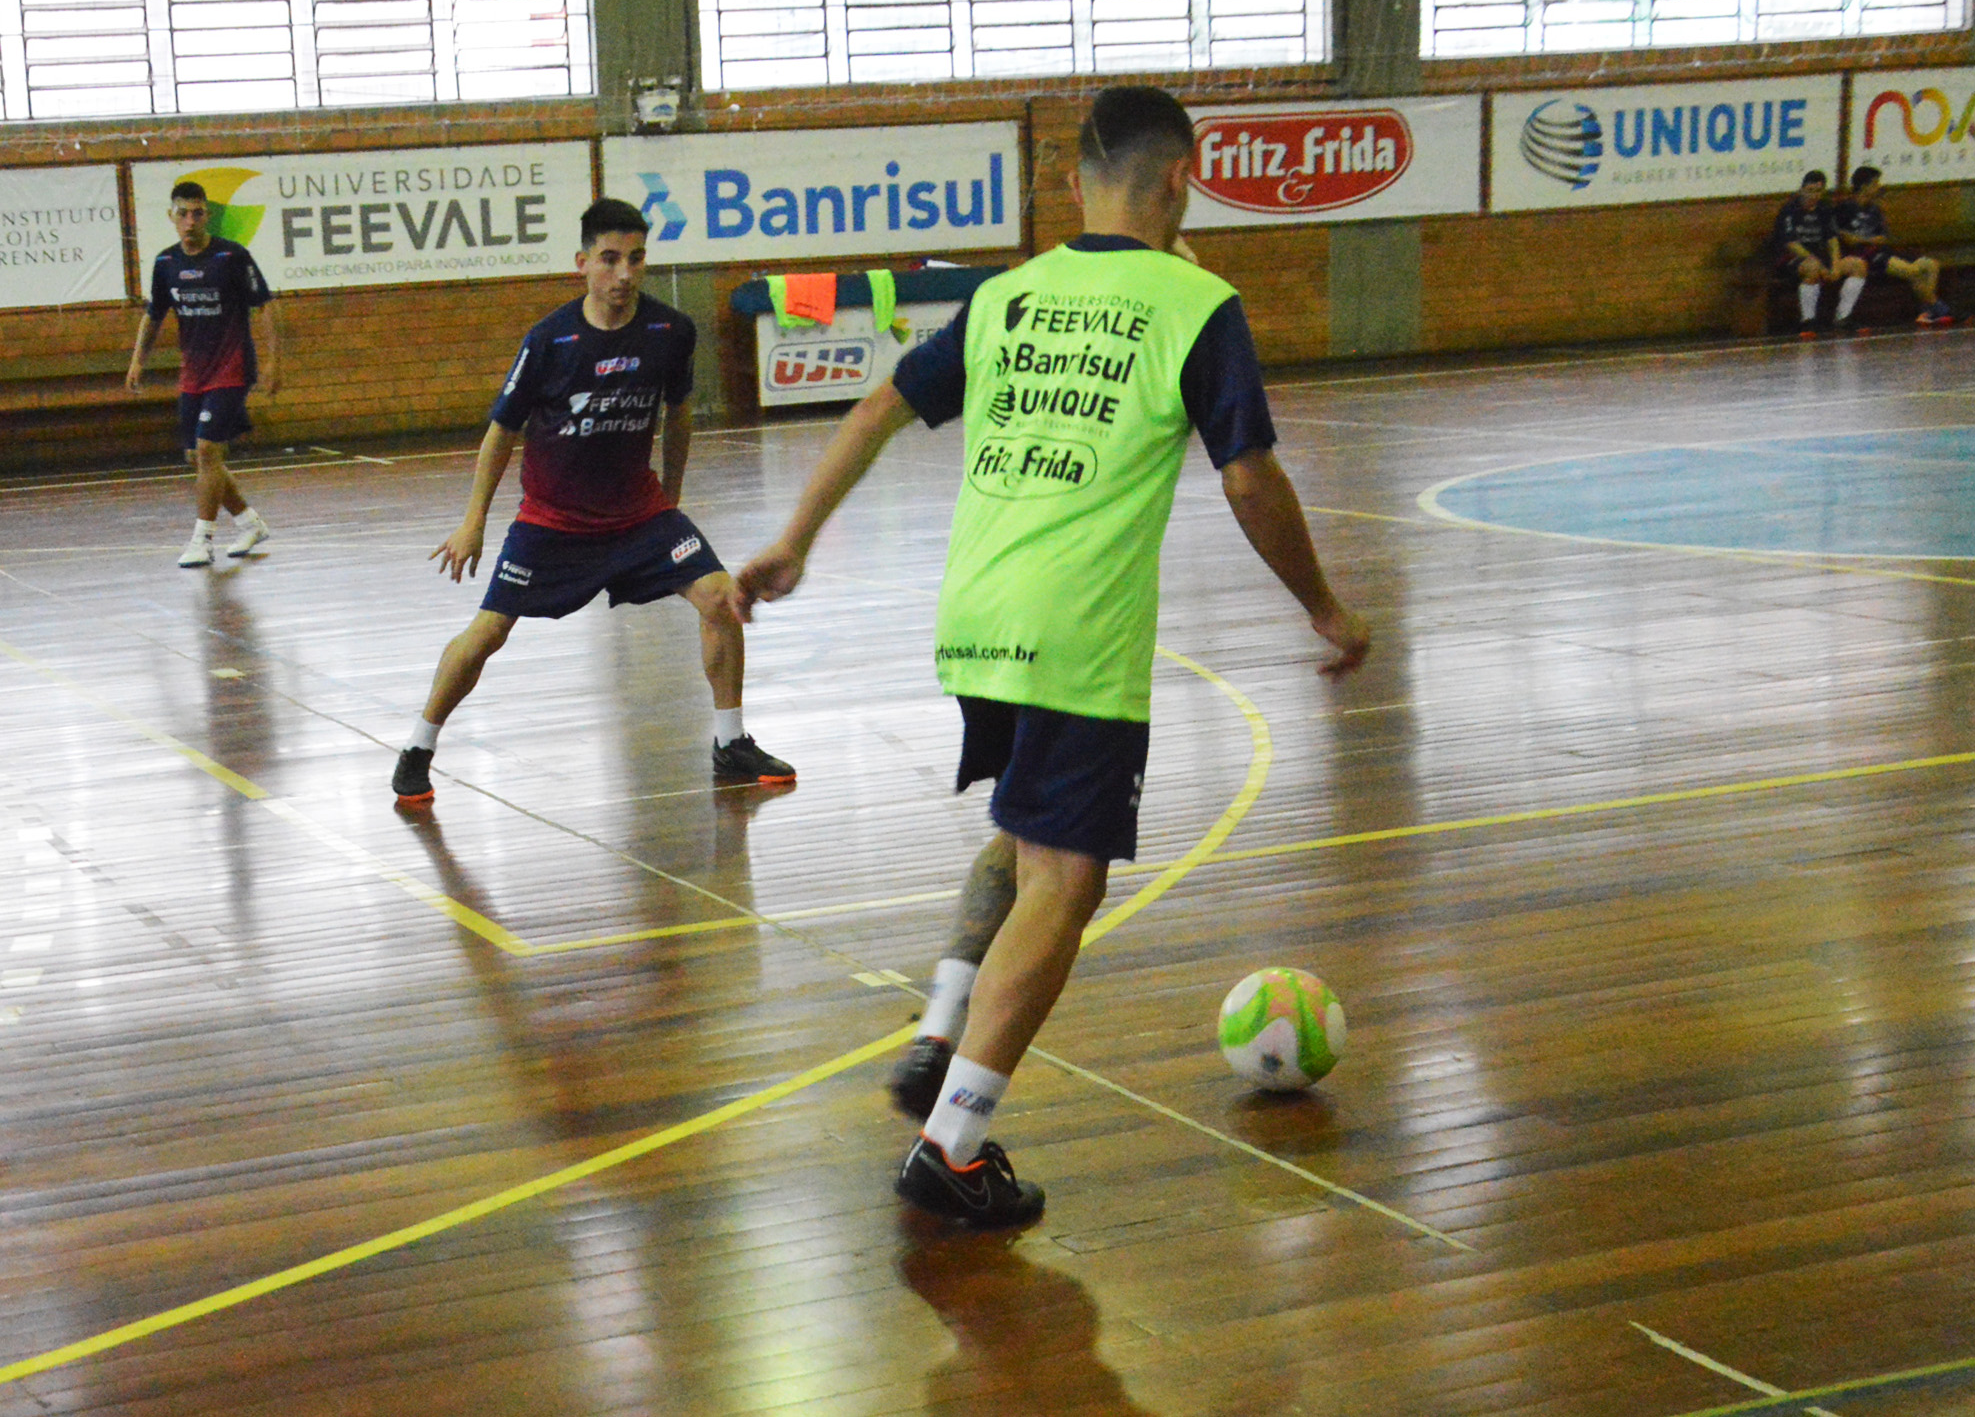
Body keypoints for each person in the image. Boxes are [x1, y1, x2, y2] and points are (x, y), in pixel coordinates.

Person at [729, 88, 1372, 1227]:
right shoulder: (1198, 304)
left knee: (1027, 843)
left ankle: (942, 1028)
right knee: (1067, 883)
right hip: (1079, 629)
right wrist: (1322, 602)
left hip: (977, 614)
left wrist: (793, 539)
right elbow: (1249, 477)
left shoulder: (1007, 293)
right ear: (1185, 175)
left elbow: (881, 403)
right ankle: (954, 1145)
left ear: (1075, 183)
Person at [391, 198, 796, 806]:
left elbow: (678, 413)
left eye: (636, 259)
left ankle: (730, 741)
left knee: (722, 598)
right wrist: (473, 520)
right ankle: (419, 747)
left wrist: (673, 497)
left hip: (641, 516)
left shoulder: (670, 332)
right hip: (553, 524)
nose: (625, 274)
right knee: (488, 633)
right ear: (582, 263)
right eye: (609, 259)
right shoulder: (550, 340)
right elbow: (502, 429)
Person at [127, 180, 283, 567]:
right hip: (193, 373)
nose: (190, 221)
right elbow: (153, 316)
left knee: (209, 450)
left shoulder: (232, 257)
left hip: (231, 368)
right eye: (183, 213)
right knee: (195, 457)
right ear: (171, 217)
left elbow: (265, 307)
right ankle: (250, 523)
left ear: (207, 215)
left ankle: (202, 539)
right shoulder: (165, 264)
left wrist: (273, 363)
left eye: (197, 213)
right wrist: (137, 361)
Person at [1829, 165, 1953, 330]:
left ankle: (1928, 311)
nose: (1878, 187)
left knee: (1931, 265)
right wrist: (1866, 241)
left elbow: (1881, 238)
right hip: (1865, 256)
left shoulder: (1874, 209)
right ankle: (1938, 307)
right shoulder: (1845, 208)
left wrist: (1863, 239)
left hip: (1882, 251)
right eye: (1875, 183)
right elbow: (1846, 238)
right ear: (1864, 186)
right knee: (1913, 271)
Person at [1770, 170, 1839, 338]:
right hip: (1790, 259)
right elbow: (1791, 243)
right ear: (1801, 190)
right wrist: (1819, 264)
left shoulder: (1824, 209)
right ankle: (1808, 320)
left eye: (1817, 191)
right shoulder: (1789, 210)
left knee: (1856, 265)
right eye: (1809, 191)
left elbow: (1832, 240)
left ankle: (1843, 318)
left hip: (1819, 257)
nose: (1813, 195)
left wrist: (1836, 264)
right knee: (1812, 268)